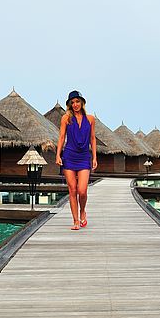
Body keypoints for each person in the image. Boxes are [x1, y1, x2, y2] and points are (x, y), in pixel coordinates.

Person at [56, 89, 97, 230]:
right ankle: (76, 221)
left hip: (84, 156)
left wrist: (94, 157)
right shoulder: (66, 118)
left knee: (82, 190)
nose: (75, 104)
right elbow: (62, 137)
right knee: (72, 189)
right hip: (69, 156)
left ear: (82, 102)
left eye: (77, 101)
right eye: (72, 102)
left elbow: (93, 138)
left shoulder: (90, 119)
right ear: (69, 104)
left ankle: (82, 211)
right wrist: (57, 154)